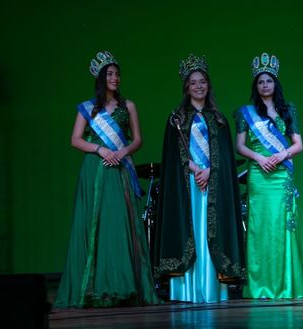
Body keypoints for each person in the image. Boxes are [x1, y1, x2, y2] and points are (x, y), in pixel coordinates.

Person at [54, 51, 159, 308]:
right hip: (96, 169)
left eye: (117, 74)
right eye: (110, 74)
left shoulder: (128, 106)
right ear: (101, 78)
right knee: (95, 224)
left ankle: (122, 285)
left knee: (119, 224)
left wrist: (122, 152)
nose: (115, 78)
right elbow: (75, 139)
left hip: (120, 168)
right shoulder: (88, 108)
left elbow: (137, 139)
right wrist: (100, 149)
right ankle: (94, 289)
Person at [154, 54, 245, 303]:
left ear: (208, 85)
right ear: (186, 87)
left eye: (203, 81)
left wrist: (210, 171)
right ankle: (186, 289)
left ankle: (213, 287)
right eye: (193, 82)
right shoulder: (176, 118)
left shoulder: (219, 119)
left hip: (211, 185)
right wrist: (194, 168)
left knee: (210, 231)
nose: (199, 86)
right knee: (190, 229)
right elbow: (173, 156)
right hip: (188, 186)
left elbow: (225, 158)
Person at [234, 52, 303, 300]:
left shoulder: (288, 109)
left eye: (268, 81)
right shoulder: (244, 112)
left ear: (275, 83)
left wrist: (280, 156)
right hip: (259, 174)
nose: (264, 85)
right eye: (260, 81)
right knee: (260, 227)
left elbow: (298, 145)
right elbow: (240, 146)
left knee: (283, 227)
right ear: (255, 85)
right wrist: (259, 158)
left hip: (281, 175)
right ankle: (261, 284)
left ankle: (287, 283)